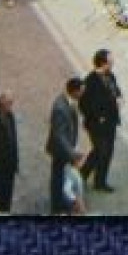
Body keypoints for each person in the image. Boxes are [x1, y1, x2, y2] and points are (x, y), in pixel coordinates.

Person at [79, 49, 122, 192]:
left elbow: (116, 90)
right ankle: (86, 176)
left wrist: (119, 97)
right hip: (97, 125)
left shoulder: (110, 76)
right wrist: (97, 117)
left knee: (106, 152)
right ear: (103, 63)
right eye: (110, 62)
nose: (113, 64)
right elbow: (83, 105)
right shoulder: (90, 82)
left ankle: (98, 180)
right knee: (100, 151)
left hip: (111, 122)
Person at [47, 78, 83, 215]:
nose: (82, 93)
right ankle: (57, 207)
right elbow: (59, 136)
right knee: (58, 177)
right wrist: (72, 154)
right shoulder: (60, 108)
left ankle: (61, 201)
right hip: (60, 150)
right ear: (75, 91)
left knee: (62, 176)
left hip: (66, 148)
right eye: (81, 91)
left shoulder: (69, 102)